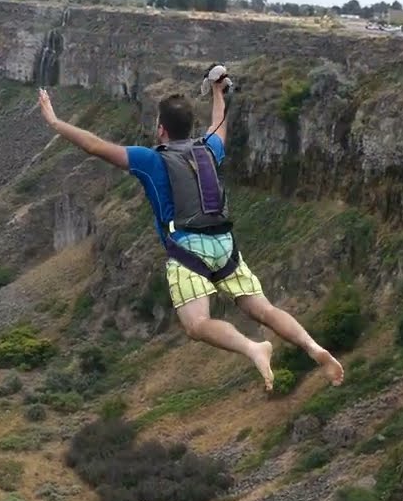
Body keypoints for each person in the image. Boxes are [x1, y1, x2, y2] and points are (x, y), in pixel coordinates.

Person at [36, 73, 344, 392]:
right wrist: (217, 91)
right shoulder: (209, 149)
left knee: (197, 325)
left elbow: (95, 145)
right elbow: (218, 124)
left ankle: (254, 348)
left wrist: (55, 121)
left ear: (161, 129)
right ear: (190, 125)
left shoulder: (150, 159)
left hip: (188, 251)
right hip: (226, 246)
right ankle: (312, 347)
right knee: (263, 309)